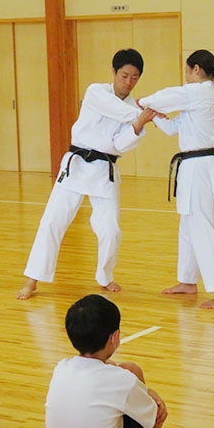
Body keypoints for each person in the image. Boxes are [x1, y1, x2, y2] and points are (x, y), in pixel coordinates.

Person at [17, 49, 160, 299]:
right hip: (76, 165)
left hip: (104, 170)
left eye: (134, 77)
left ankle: (105, 276)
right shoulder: (97, 92)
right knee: (52, 221)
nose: (128, 82)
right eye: (124, 75)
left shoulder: (133, 109)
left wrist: (139, 124)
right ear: (114, 72)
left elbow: (121, 145)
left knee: (110, 229)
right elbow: (116, 111)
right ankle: (32, 280)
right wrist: (145, 115)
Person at [137, 49, 214, 309]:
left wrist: (143, 102)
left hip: (200, 167)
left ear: (195, 69)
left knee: (202, 226)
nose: (186, 76)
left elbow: (165, 97)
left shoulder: (200, 91)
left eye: (186, 70)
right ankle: (188, 280)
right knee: (189, 225)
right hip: (195, 165)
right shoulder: (199, 99)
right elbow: (174, 128)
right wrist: (155, 117)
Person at [43, 294, 167, 428]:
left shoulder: (61, 368)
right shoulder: (121, 380)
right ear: (115, 337)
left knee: (124, 378)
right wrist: (151, 396)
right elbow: (151, 417)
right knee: (132, 372)